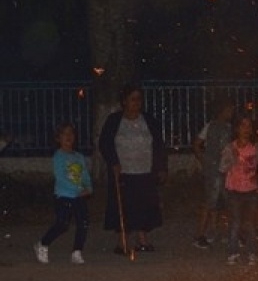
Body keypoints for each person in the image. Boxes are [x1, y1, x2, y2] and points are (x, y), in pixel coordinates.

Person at [99, 83, 167, 254]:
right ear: (124, 102)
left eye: (139, 100)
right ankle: (122, 240)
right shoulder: (114, 121)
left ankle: (142, 238)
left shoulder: (149, 120)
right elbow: (105, 144)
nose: (136, 103)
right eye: (132, 99)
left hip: (145, 171)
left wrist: (161, 167)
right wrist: (113, 162)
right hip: (123, 172)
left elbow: (159, 145)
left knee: (144, 205)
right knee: (124, 205)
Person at [33, 122, 93, 264]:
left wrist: (88, 187)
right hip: (64, 196)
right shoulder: (59, 157)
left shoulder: (79, 157)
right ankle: (43, 244)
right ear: (58, 138)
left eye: (71, 134)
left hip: (79, 197)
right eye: (65, 134)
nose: (69, 136)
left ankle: (77, 251)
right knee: (62, 224)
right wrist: (75, 190)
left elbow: (84, 175)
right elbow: (61, 177)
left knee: (83, 223)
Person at [220, 111, 258, 265]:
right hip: (234, 192)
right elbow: (222, 168)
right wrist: (233, 160)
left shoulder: (256, 148)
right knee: (235, 223)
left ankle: (251, 252)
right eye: (243, 125)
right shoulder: (230, 148)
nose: (246, 128)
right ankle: (233, 252)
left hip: (251, 192)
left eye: (249, 125)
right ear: (236, 129)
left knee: (250, 223)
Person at [192, 97, 235, 248]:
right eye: (229, 109)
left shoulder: (229, 128)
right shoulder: (211, 126)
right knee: (209, 202)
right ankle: (199, 235)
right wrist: (204, 161)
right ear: (222, 111)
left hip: (225, 170)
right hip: (213, 171)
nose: (231, 112)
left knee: (220, 202)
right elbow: (197, 143)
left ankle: (213, 232)